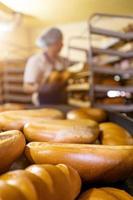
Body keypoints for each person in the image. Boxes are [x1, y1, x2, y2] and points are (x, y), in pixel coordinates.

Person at [23, 27, 71, 105]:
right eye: (59, 42)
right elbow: (26, 87)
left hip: (62, 101)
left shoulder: (62, 60)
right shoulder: (36, 61)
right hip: (44, 102)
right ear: (50, 43)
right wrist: (41, 88)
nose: (62, 45)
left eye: (62, 42)